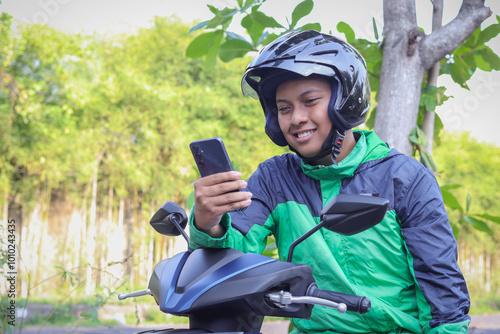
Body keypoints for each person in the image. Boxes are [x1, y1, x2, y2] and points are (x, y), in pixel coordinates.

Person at [188, 30, 470, 334]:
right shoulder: (275, 179)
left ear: (345, 103)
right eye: (284, 108)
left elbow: (442, 293)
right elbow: (233, 257)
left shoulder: (405, 179)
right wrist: (209, 223)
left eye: (310, 101)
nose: (296, 118)